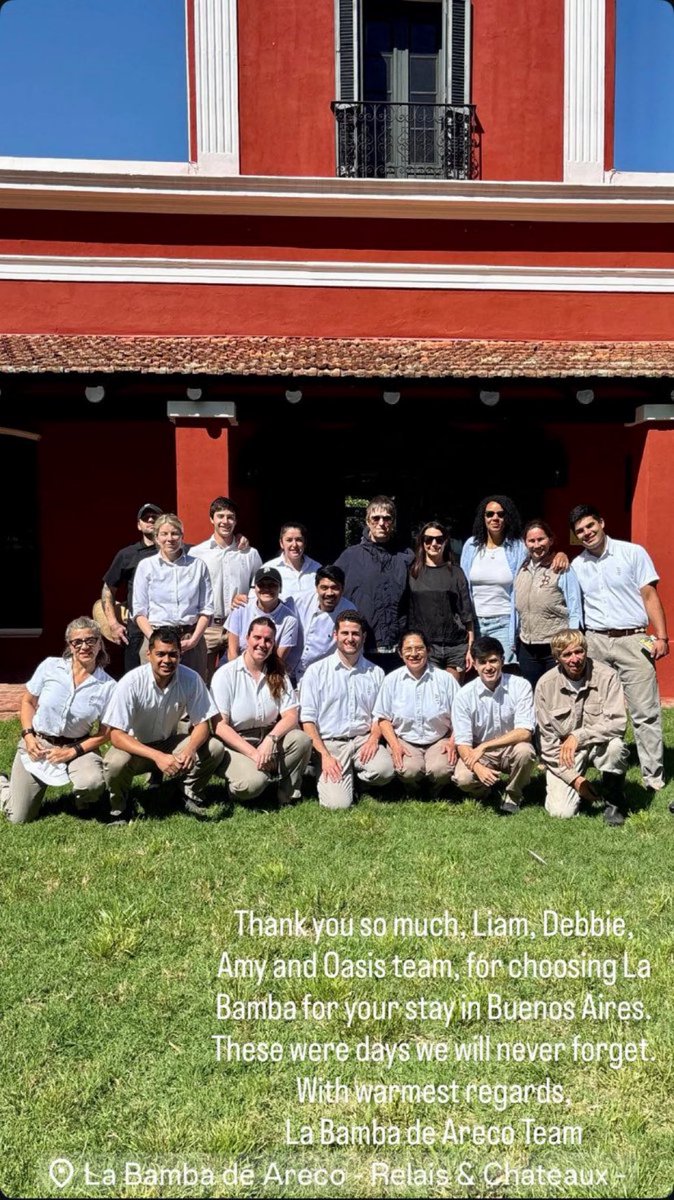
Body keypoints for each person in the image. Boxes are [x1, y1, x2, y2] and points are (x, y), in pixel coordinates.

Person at [569, 503, 669, 793]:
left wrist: (661, 636)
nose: (587, 533)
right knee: (597, 710)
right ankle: (606, 769)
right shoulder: (577, 565)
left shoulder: (633, 553)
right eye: (580, 532)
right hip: (596, 641)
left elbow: (649, 595)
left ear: (601, 522)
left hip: (632, 639)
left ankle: (653, 778)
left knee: (645, 710)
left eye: (590, 526)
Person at [102, 626, 224, 823]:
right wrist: (157, 757)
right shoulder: (131, 682)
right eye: (160, 654)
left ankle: (186, 792)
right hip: (136, 748)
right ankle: (120, 808)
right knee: (114, 763)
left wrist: (190, 750)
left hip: (169, 743)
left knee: (214, 747)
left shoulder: (191, 679)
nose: (167, 661)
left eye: (173, 655)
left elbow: (203, 724)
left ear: (180, 654)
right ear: (148, 654)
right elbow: (116, 735)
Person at [0, 617, 115, 824]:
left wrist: (72, 751)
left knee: (92, 783)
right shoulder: (50, 667)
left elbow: (105, 733)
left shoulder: (108, 687)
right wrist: (28, 736)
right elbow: (27, 701)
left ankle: (84, 804)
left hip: (78, 745)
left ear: (100, 643)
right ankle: (2, 785)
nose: (84, 646)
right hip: (39, 744)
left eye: (91, 640)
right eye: (77, 642)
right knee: (18, 817)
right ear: (69, 646)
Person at [300, 610, 394, 809]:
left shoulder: (375, 672)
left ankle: (356, 779)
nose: (350, 639)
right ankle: (321, 771)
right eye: (345, 633)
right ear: (335, 635)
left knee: (385, 770)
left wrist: (373, 739)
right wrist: (325, 756)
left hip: (362, 741)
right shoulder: (316, 672)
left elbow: (380, 715)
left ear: (363, 637)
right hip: (331, 744)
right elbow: (307, 720)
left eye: (355, 634)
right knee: (337, 805)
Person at [211, 616, 311, 805]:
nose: (262, 644)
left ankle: (287, 794)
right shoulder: (225, 674)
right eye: (257, 637)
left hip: (268, 738)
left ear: (273, 644)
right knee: (253, 784)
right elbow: (220, 726)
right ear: (246, 638)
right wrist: (254, 754)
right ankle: (240, 785)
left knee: (301, 739)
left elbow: (291, 715)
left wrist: (271, 739)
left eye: (268, 640)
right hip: (236, 743)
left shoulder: (278, 672)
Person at [535, 629, 629, 825]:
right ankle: (580, 789)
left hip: (598, 743)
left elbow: (618, 723)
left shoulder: (608, 676)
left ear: (586, 651)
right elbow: (547, 744)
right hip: (564, 752)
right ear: (556, 658)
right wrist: (575, 780)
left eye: (579, 652)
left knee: (616, 747)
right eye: (566, 654)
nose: (574, 659)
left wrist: (579, 736)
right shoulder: (545, 685)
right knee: (561, 813)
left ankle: (614, 800)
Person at [461, 495, 568, 665]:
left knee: (504, 670)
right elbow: (463, 584)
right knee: (480, 671)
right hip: (475, 622)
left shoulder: (518, 547)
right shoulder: (471, 546)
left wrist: (560, 554)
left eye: (501, 514)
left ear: (507, 517)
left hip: (504, 621)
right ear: (483, 517)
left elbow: (539, 553)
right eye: (490, 514)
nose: (495, 518)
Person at [451, 635, 536, 814]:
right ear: (474, 665)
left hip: (510, 748)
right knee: (463, 778)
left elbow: (525, 732)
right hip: (481, 754)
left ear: (502, 661)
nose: (488, 667)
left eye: (493, 661)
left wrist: (486, 745)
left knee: (525, 752)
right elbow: (463, 744)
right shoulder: (464, 695)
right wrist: (478, 767)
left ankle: (513, 794)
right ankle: (486, 790)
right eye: (482, 662)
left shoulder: (520, 686)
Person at [334, 495, 413, 674]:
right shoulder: (350, 557)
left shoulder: (406, 556)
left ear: (393, 522)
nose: (381, 523)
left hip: (397, 648)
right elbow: (329, 591)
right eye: (376, 518)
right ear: (367, 521)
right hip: (362, 647)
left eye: (387, 518)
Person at [374, 630, 459, 795]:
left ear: (428, 650)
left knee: (441, 769)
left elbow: (461, 716)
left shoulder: (445, 679)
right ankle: (412, 789)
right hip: (406, 741)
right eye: (408, 649)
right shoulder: (391, 680)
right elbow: (383, 718)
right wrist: (395, 745)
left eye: (419, 648)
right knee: (408, 770)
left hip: (439, 739)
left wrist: (452, 742)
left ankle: (437, 790)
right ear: (400, 652)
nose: (414, 654)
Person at [132, 513, 214, 680]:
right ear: (156, 537)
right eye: (164, 534)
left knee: (192, 693)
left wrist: (194, 640)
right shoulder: (146, 566)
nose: (170, 538)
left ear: (182, 536)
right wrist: (155, 639)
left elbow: (206, 609)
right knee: (153, 694)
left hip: (190, 639)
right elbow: (139, 612)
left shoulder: (197, 566)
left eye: (175, 533)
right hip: (156, 637)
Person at [190, 496, 262, 681]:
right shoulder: (197, 554)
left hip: (239, 626)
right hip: (208, 628)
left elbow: (259, 589)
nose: (225, 521)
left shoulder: (249, 553)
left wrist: (248, 598)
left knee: (239, 680)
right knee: (202, 680)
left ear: (236, 521)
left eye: (230, 517)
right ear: (211, 519)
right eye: (220, 516)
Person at [514, 519, 583, 689]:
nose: (536, 545)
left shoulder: (561, 568)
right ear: (525, 543)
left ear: (550, 540)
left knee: (557, 692)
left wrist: (572, 642)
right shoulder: (520, 568)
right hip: (527, 646)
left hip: (555, 645)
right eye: (531, 541)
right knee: (532, 693)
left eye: (541, 539)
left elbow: (575, 607)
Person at [406, 520, 474, 682]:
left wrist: (470, 648)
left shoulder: (456, 573)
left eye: (439, 539)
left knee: (453, 698)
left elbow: (467, 614)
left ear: (445, 542)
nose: (434, 544)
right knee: (431, 699)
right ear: (422, 542)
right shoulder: (412, 573)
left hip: (455, 646)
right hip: (427, 647)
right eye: (428, 539)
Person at [100, 502, 161, 673]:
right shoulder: (127, 555)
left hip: (167, 627)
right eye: (145, 518)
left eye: (155, 517)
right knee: (136, 680)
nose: (150, 520)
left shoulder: (175, 550)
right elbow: (108, 589)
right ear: (139, 525)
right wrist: (112, 623)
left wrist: (239, 539)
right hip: (136, 632)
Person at [287, 564, 354, 683]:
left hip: (321, 678)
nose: (329, 593)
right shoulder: (297, 601)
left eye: (335, 588)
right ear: (316, 587)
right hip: (287, 672)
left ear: (342, 589)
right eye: (324, 587)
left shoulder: (349, 611)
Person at [226, 567, 298, 663]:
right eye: (261, 585)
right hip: (236, 666)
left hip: (268, 670)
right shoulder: (241, 608)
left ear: (280, 588)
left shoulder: (289, 619)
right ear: (255, 588)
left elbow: (279, 659)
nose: (266, 589)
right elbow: (232, 652)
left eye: (272, 585)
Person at [258, 522, 321, 604]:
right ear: (281, 543)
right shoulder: (268, 569)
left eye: (299, 540)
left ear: (305, 543)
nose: (294, 545)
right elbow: (254, 600)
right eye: (289, 540)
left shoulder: (317, 569)